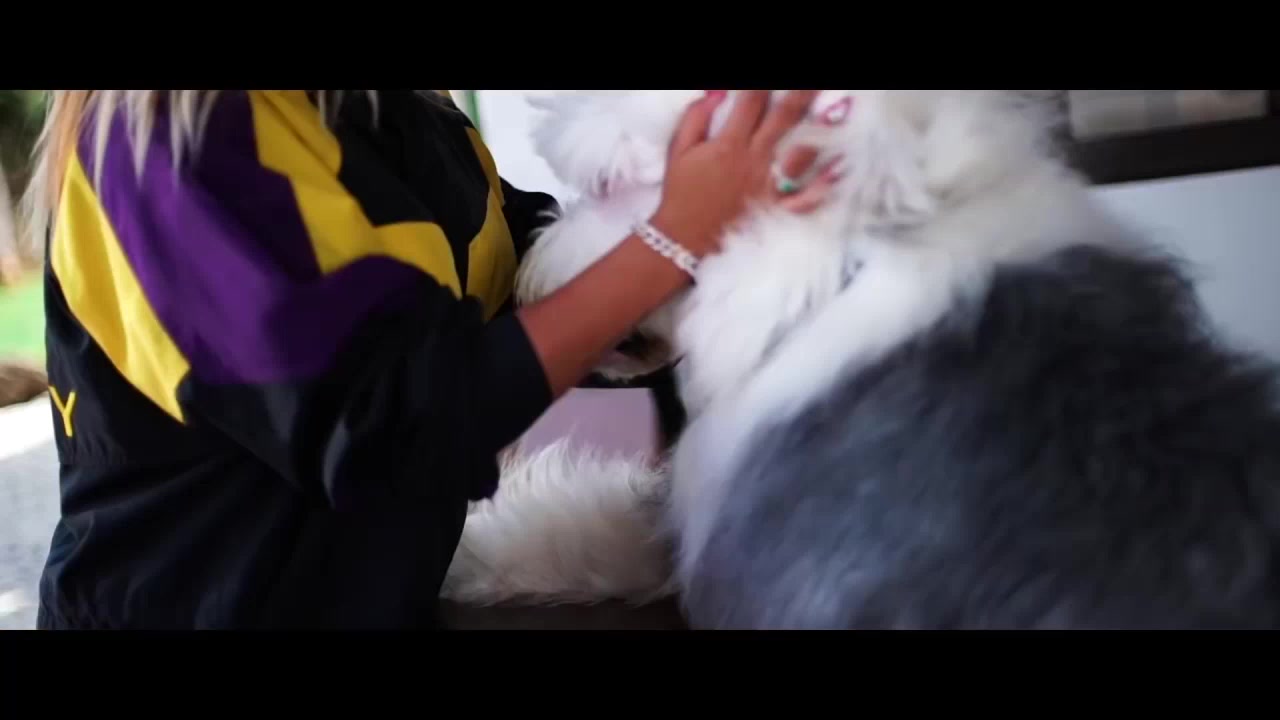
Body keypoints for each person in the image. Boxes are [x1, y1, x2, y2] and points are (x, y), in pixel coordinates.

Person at [23, 89, 839, 629]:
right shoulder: (172, 146)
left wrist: (745, 245)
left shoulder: (394, 111)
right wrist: (671, 239)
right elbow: (390, 422)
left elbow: (517, 273)